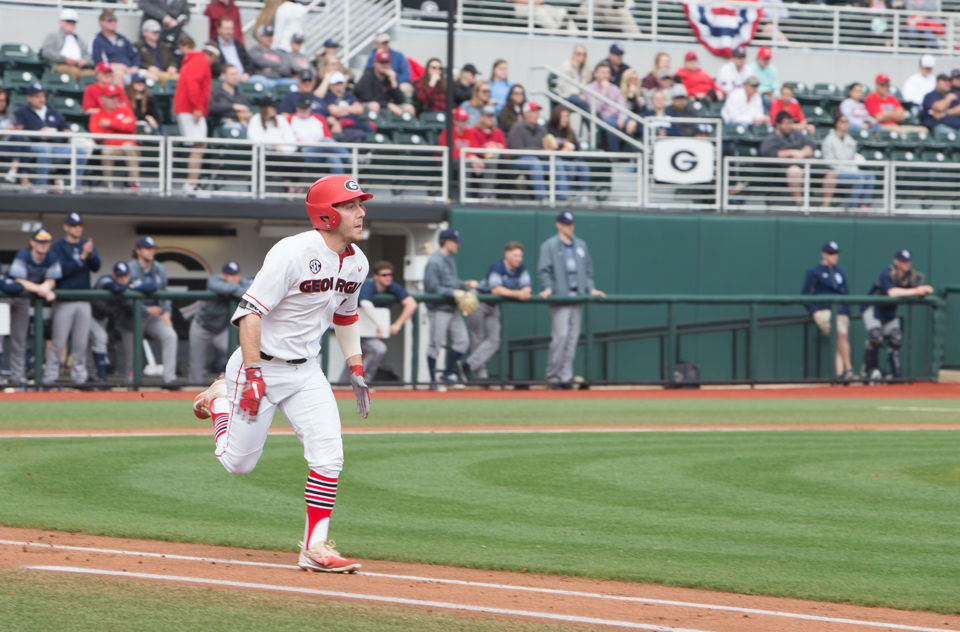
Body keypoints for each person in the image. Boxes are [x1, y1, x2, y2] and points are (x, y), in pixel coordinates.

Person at [190, 175, 372, 573]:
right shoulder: (291, 252)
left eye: (360, 203)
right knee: (238, 464)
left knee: (329, 456)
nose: (361, 211)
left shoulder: (357, 262)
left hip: (306, 371)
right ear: (327, 214)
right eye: (351, 205)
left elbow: (345, 315)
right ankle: (220, 400)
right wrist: (252, 373)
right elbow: (249, 313)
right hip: (259, 366)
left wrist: (355, 364)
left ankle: (315, 547)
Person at [537, 211, 605, 389]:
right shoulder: (549, 245)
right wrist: (548, 288)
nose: (570, 227)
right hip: (560, 297)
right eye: (566, 224)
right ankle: (552, 377)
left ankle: (565, 377)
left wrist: (591, 289)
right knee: (560, 337)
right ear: (558, 225)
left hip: (578, 296)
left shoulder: (581, 245)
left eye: (571, 223)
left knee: (572, 340)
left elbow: (588, 271)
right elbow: (544, 271)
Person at [42, 213, 101, 387]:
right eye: (73, 225)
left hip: (83, 299)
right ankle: (50, 377)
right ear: (66, 227)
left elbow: (96, 266)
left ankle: (79, 378)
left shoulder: (87, 244)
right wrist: (82, 256)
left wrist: (89, 254)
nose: (77, 228)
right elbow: (59, 272)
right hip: (64, 299)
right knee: (58, 342)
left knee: (81, 342)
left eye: (79, 225)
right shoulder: (59, 246)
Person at [463, 241, 531, 381]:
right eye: (515, 255)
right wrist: (518, 293)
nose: (519, 259)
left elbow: (527, 286)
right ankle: (482, 376)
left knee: (495, 340)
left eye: (520, 256)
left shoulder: (521, 268)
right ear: (506, 255)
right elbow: (496, 289)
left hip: (493, 306)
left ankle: (468, 365)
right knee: (477, 338)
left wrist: (524, 291)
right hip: (478, 302)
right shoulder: (498, 267)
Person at [862, 249, 934, 382]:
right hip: (873, 308)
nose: (905, 264)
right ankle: (869, 371)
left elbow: (926, 288)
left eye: (907, 261)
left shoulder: (909, 277)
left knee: (896, 338)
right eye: (902, 261)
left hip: (889, 313)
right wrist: (916, 291)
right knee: (876, 336)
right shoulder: (887, 272)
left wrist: (923, 289)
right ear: (896, 261)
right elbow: (892, 292)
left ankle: (896, 376)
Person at [345, 260, 417, 383]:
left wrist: (397, 324)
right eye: (384, 275)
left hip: (370, 331)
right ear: (376, 276)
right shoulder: (368, 285)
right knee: (374, 350)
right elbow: (366, 304)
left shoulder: (392, 286)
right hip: (353, 329)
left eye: (390, 275)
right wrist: (378, 325)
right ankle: (360, 381)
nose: (388, 278)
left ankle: (355, 383)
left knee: (360, 356)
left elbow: (411, 303)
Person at [423, 228, 477, 389]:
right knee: (435, 345)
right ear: (446, 242)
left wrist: (464, 284)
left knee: (463, 342)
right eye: (455, 242)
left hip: (452, 308)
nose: (457, 245)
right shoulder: (434, 261)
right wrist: (455, 292)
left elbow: (451, 282)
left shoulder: (450, 259)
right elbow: (432, 287)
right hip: (438, 308)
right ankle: (433, 381)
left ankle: (448, 374)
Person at [7, 229, 61, 385]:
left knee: (19, 339)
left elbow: (52, 280)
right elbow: (19, 280)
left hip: (23, 301)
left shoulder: (51, 257)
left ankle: (17, 377)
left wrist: (45, 287)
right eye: (39, 242)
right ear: (32, 242)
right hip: (8, 297)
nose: (43, 245)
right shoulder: (23, 255)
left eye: (46, 242)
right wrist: (42, 290)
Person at [15, 83, 90, 187]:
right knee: (45, 149)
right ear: (29, 98)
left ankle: (75, 186)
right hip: (34, 145)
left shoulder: (53, 111)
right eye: (37, 96)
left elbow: (64, 128)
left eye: (42, 96)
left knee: (81, 151)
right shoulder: (22, 112)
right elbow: (20, 132)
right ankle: (41, 187)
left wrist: (66, 133)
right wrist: (38, 134)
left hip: (56, 145)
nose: (41, 99)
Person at [127, 235, 178, 387]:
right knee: (131, 351)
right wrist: (147, 309)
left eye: (152, 249)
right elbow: (125, 298)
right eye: (147, 249)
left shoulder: (159, 268)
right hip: (132, 316)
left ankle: (169, 379)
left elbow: (164, 292)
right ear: (138, 251)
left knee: (170, 335)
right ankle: (131, 382)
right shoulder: (130, 268)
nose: (151, 252)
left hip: (154, 316)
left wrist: (167, 313)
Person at [188, 261, 250, 385]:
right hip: (202, 326)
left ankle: (237, 384)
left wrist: (232, 289)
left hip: (221, 330)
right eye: (230, 275)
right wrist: (235, 289)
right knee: (196, 362)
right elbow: (221, 287)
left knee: (236, 354)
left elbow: (249, 292)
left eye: (235, 274)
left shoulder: (242, 282)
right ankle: (193, 389)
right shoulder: (214, 279)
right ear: (223, 275)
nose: (233, 278)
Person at [801, 240, 854, 382]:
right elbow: (805, 295)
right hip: (824, 311)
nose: (834, 256)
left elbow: (846, 294)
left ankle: (839, 376)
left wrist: (847, 312)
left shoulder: (840, 272)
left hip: (841, 312)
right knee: (841, 335)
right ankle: (849, 369)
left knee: (839, 340)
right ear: (823, 254)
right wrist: (814, 311)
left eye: (836, 253)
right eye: (831, 253)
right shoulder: (814, 272)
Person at [90, 261, 147, 385]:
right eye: (119, 276)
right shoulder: (105, 279)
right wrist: (130, 288)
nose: (122, 279)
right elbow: (115, 288)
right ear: (113, 275)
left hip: (104, 319)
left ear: (129, 275)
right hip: (90, 314)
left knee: (99, 342)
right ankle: (98, 378)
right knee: (96, 341)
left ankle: (98, 378)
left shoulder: (130, 283)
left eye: (125, 276)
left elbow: (151, 287)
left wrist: (132, 287)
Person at [174, 36, 214, 193]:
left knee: (199, 145)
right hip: (190, 109)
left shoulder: (194, 60)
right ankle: (191, 184)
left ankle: (192, 183)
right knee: (198, 145)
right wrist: (197, 107)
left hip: (187, 108)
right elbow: (193, 83)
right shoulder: (201, 61)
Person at [88, 83, 141, 189]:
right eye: (110, 97)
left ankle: (135, 183)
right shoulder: (97, 115)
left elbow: (130, 126)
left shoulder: (125, 110)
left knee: (128, 147)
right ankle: (108, 184)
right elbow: (96, 135)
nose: (114, 100)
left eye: (115, 97)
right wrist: (121, 124)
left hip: (128, 145)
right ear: (103, 99)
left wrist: (110, 124)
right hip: (111, 146)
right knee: (107, 151)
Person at [820, 113, 876, 209]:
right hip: (837, 171)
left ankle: (864, 206)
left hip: (851, 170)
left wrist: (853, 170)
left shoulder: (850, 140)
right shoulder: (828, 140)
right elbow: (829, 162)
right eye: (842, 121)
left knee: (870, 176)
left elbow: (853, 159)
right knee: (859, 178)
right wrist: (848, 169)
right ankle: (852, 207)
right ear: (836, 123)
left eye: (847, 121)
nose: (845, 124)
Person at [760, 111, 815, 206]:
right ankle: (799, 204)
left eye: (790, 123)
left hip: (804, 164)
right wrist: (791, 152)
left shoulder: (796, 134)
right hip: (781, 170)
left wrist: (801, 153)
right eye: (786, 123)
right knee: (794, 171)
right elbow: (769, 152)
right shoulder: (771, 138)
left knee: (829, 173)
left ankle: (825, 206)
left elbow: (811, 146)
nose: (789, 126)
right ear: (778, 124)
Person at [288, 93, 347, 174]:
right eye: (301, 107)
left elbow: (329, 138)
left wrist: (320, 144)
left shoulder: (319, 118)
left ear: (310, 107)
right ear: (297, 107)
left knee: (334, 158)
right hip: (302, 152)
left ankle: (339, 185)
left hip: (321, 151)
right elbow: (288, 140)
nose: (303, 110)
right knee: (325, 141)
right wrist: (315, 143)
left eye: (305, 108)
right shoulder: (290, 119)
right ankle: (351, 159)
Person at [585, 61, 635, 152]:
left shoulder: (614, 88)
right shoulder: (589, 89)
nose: (605, 75)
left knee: (631, 123)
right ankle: (615, 154)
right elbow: (596, 109)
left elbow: (622, 106)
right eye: (603, 72)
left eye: (607, 72)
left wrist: (622, 118)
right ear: (596, 74)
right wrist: (604, 91)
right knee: (611, 125)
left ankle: (627, 154)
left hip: (617, 118)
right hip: (603, 118)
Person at [506, 101, 550, 201]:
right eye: (534, 111)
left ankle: (563, 197)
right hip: (519, 161)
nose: (536, 115)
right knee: (535, 163)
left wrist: (548, 151)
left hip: (539, 160)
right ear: (526, 113)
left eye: (537, 112)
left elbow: (546, 149)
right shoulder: (517, 127)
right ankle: (542, 198)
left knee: (557, 163)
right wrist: (539, 152)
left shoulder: (542, 129)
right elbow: (516, 150)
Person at [545, 105, 589, 201]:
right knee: (568, 165)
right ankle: (564, 196)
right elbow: (547, 149)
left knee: (584, 166)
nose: (565, 119)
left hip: (569, 158)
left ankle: (583, 196)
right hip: (554, 160)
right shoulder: (548, 130)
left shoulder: (569, 131)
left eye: (567, 116)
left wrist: (570, 150)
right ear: (556, 116)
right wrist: (561, 152)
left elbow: (577, 149)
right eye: (563, 116)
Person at [355, 50, 415, 117]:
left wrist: (393, 81)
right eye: (381, 62)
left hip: (384, 105)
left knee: (409, 108)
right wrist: (388, 105)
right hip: (366, 106)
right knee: (374, 105)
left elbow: (400, 100)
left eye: (386, 62)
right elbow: (368, 98)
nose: (384, 65)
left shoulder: (389, 77)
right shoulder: (367, 76)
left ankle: (403, 127)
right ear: (375, 63)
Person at [40, 9, 94, 82]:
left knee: (92, 74)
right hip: (60, 65)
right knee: (74, 71)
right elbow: (46, 52)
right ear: (61, 22)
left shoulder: (78, 39)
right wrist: (65, 59)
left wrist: (84, 61)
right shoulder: (53, 36)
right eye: (68, 22)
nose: (71, 24)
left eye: (73, 22)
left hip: (79, 67)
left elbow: (88, 55)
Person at [90, 9, 140, 85]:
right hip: (111, 71)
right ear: (102, 22)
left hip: (128, 70)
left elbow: (135, 54)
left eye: (115, 20)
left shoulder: (122, 38)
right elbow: (98, 61)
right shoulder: (98, 40)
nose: (113, 23)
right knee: (118, 74)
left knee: (151, 75)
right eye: (110, 20)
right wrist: (113, 66)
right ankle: (119, 96)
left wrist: (135, 66)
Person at [468, 104, 506, 199]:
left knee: (495, 160)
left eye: (492, 116)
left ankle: (495, 195)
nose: (491, 118)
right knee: (490, 160)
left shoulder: (498, 132)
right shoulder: (473, 131)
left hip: (496, 160)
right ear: (481, 116)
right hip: (479, 160)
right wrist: (488, 148)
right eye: (488, 116)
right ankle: (485, 195)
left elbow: (505, 149)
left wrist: (498, 147)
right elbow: (474, 148)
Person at [320, 72, 369, 143]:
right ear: (331, 85)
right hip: (342, 126)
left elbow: (359, 109)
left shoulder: (348, 95)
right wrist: (351, 109)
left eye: (341, 83)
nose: (339, 86)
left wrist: (342, 109)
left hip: (355, 123)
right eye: (336, 84)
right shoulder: (328, 96)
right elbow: (333, 111)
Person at [248, 25, 297, 90]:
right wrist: (278, 66)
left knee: (296, 83)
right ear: (260, 37)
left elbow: (286, 69)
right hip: (263, 79)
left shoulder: (279, 53)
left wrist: (271, 69)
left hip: (279, 80)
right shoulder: (255, 50)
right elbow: (260, 62)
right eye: (266, 36)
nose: (269, 38)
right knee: (257, 80)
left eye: (271, 36)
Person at [135, 19, 179, 85]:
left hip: (165, 73)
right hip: (149, 74)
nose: (156, 34)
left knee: (179, 78)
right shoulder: (138, 47)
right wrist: (148, 67)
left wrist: (172, 66)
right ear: (145, 32)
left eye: (157, 32)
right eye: (153, 32)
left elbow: (171, 60)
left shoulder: (164, 46)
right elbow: (135, 61)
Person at [208, 64, 251, 130]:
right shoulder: (215, 92)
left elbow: (245, 110)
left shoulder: (240, 94)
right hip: (221, 125)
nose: (235, 77)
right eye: (232, 74)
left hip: (241, 123)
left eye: (236, 74)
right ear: (223, 75)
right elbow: (212, 108)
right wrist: (233, 106)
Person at [212, 17, 252, 81]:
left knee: (259, 80)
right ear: (219, 29)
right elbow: (213, 65)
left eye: (231, 28)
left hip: (244, 77)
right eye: (226, 29)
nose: (229, 31)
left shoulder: (238, 45)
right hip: (224, 78)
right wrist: (231, 75)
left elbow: (248, 62)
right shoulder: (213, 45)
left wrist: (247, 74)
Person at [557, 45, 590, 112]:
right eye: (578, 54)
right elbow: (563, 84)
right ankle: (591, 122)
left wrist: (583, 94)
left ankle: (588, 122)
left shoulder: (585, 68)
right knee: (583, 103)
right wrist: (578, 94)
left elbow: (586, 85)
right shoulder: (567, 65)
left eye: (584, 54)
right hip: (566, 95)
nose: (582, 56)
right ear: (574, 54)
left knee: (591, 103)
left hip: (579, 96)